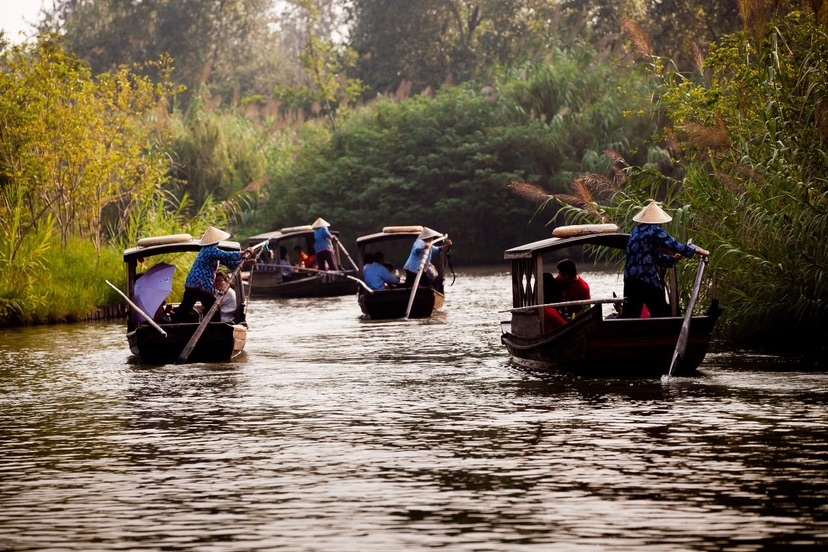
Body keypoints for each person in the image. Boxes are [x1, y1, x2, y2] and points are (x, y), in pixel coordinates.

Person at [621, 201, 710, 318]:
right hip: (646, 280)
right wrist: (698, 251)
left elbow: (652, 257)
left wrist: (673, 259)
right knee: (661, 312)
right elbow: (674, 245)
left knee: (630, 315)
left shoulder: (636, 231)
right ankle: (668, 332)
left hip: (630, 280)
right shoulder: (654, 230)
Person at [172, 226, 254, 323]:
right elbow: (226, 255)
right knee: (212, 308)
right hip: (200, 284)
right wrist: (243, 253)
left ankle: (174, 322)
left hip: (193, 284)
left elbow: (229, 263)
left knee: (186, 307)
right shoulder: (209, 249)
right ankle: (216, 326)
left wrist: (244, 263)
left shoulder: (212, 252)